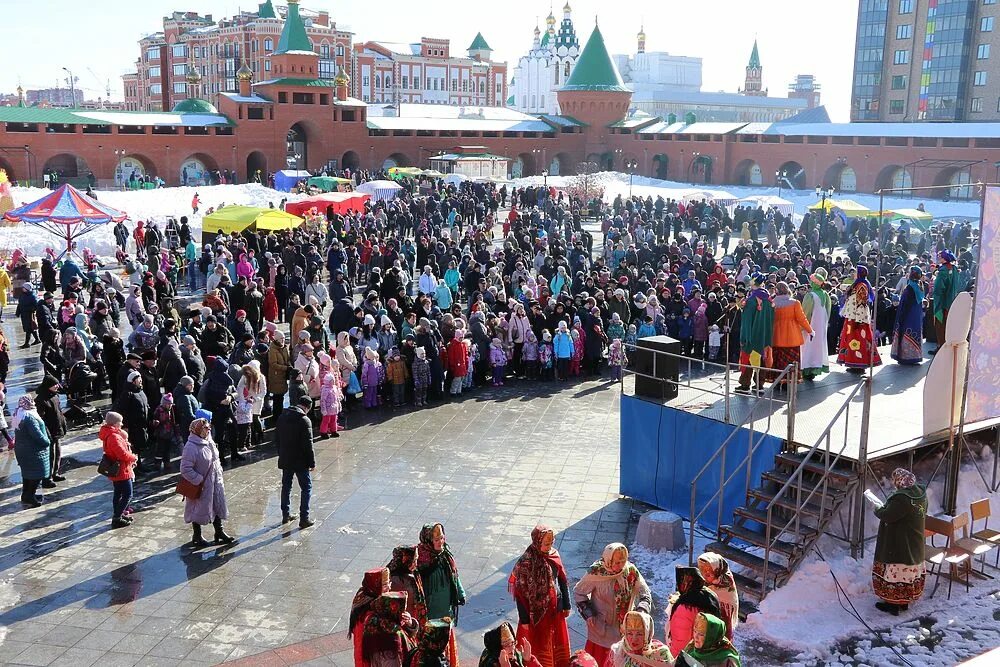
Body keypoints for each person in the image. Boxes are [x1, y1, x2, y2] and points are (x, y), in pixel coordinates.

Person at [573, 543, 652, 667]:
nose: (620, 566)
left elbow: (645, 592)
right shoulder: (596, 572)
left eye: (623, 561)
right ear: (608, 560)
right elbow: (579, 592)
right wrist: (588, 614)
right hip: (601, 630)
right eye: (616, 562)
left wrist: (641, 610)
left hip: (624, 631)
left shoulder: (630, 571)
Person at [509, 525, 571, 667]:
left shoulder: (554, 555)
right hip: (534, 616)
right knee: (537, 649)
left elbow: (562, 579)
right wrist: (524, 620)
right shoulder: (526, 562)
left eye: (551, 543)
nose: (549, 547)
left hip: (555, 611)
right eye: (546, 544)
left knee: (557, 645)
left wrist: (567, 604)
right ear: (537, 542)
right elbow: (520, 593)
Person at [872, 467, 928, 616]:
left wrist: (877, 508)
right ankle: (904, 602)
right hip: (914, 541)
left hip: (900, 544)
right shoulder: (920, 495)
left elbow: (888, 515)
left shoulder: (902, 499)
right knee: (907, 574)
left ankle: (893, 604)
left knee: (895, 572)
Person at [180, 417, 236, 548]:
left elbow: (215, 460)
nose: (209, 429)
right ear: (198, 430)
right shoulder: (191, 447)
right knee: (197, 509)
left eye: (209, 427)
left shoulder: (209, 441)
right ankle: (197, 536)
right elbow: (185, 469)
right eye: (205, 428)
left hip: (215, 483)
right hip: (201, 486)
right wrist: (199, 480)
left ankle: (219, 532)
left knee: (217, 505)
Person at [417, 523, 465, 666]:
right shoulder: (420, 560)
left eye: (442, 538)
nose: (440, 542)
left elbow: (455, 576)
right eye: (436, 540)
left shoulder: (445, 555)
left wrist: (460, 593)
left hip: (445, 609)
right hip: (430, 611)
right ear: (428, 541)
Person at [275, 395, 317, 528]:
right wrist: (312, 463)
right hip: (300, 461)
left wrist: (281, 454)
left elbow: (277, 439)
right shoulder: (304, 420)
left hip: (286, 458)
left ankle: (285, 515)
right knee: (306, 488)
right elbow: (308, 445)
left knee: (286, 486)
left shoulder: (282, 417)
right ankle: (304, 518)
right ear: (307, 407)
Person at [666, 567, 721, 658]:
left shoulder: (685, 607)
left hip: (689, 657)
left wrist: (675, 660)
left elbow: (681, 641)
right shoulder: (709, 596)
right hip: (709, 652)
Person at [836, 265, 882, 370]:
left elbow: (862, 304)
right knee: (852, 341)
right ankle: (852, 362)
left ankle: (858, 364)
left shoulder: (862, 285)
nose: (854, 273)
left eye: (856, 272)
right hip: (852, 318)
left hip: (858, 320)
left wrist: (859, 322)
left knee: (858, 341)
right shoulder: (857, 284)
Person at [99, 411, 138, 528]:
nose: (121, 424)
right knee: (127, 494)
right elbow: (122, 454)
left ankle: (119, 515)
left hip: (119, 470)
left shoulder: (110, 434)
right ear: (114, 424)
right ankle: (117, 518)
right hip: (122, 470)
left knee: (118, 493)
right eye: (120, 422)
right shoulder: (114, 437)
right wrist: (133, 457)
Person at [770, 281, 813, 385]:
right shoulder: (795, 303)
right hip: (792, 337)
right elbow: (802, 319)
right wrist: (810, 330)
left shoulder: (772, 303)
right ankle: (789, 381)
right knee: (792, 361)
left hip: (776, 336)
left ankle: (777, 381)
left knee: (778, 360)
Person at [736, 276, 773, 393]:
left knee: (748, 358)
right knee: (762, 358)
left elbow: (747, 321)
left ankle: (745, 385)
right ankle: (759, 385)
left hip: (752, 335)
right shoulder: (769, 300)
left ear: (753, 284)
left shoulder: (751, 300)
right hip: (765, 335)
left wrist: (744, 337)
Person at [361, 592, 418, 667]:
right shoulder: (392, 634)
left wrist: (410, 623)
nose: (403, 612)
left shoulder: (374, 620)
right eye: (401, 610)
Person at [12, 395, 50, 508]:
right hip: (33, 450)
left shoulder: (18, 414)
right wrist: (47, 441)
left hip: (22, 449)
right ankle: (30, 495)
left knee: (27, 473)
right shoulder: (30, 417)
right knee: (37, 473)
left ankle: (26, 494)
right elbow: (37, 435)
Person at [350, 568, 392, 666]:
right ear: (376, 586)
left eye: (389, 582)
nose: (389, 587)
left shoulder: (363, 598)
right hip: (368, 655)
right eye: (385, 585)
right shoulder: (370, 610)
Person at [605, 611, 674, 667]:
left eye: (640, 634)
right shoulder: (617, 652)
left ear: (648, 634)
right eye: (629, 633)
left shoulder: (661, 654)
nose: (634, 639)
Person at [695, 554, 738, 641]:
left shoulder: (725, 585)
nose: (704, 574)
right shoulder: (704, 581)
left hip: (721, 617)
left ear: (717, 570)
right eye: (702, 569)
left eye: (708, 570)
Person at [34, 374, 67, 484]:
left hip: (57, 430)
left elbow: (59, 412)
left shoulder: (55, 396)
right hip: (49, 432)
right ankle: (46, 478)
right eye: (55, 384)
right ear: (48, 386)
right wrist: (46, 433)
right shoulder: (40, 400)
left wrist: (63, 425)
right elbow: (40, 419)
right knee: (49, 455)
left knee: (58, 453)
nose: (57, 386)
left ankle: (55, 473)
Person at [800, 268, 831, 380]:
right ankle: (816, 367)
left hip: (811, 326)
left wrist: (802, 326)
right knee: (818, 346)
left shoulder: (810, 295)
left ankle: (807, 369)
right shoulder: (825, 295)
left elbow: (805, 312)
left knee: (808, 346)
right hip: (821, 326)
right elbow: (828, 311)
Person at [891, 266, 925, 365]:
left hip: (908, 316)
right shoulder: (919, 286)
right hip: (916, 317)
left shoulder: (910, 288)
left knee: (906, 332)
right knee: (915, 332)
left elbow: (905, 303)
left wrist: (901, 316)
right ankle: (914, 356)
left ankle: (906, 357)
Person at [388, 546, 427, 630]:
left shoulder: (413, 573)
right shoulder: (395, 581)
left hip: (412, 618)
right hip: (404, 622)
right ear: (405, 561)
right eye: (413, 561)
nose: (416, 564)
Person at [931, 250, 961, 354]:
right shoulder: (955, 269)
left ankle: (940, 347)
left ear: (945, 258)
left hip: (942, 303)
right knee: (949, 325)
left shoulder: (942, 270)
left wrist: (936, 297)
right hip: (952, 301)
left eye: (940, 256)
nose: (939, 258)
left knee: (940, 325)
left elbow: (938, 288)